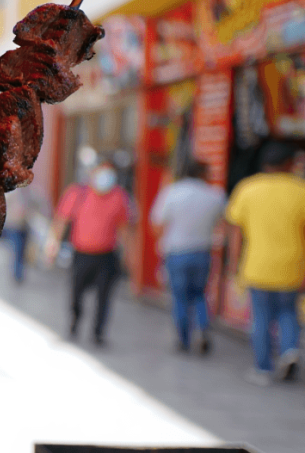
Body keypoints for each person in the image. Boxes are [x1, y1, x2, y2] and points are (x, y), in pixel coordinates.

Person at [224, 141, 305, 386]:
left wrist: (233, 265)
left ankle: (263, 368)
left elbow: (235, 233)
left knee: (260, 318)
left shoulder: (248, 188)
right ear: (289, 164)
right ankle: (289, 350)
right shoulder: (300, 190)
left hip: (257, 265)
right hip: (292, 266)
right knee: (289, 313)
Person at [46, 161, 133, 346]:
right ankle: (75, 320)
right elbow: (61, 220)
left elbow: (124, 228)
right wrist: (52, 244)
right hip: (82, 254)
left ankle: (99, 332)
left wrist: (129, 256)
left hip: (106, 255)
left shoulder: (119, 196)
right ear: (92, 174)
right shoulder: (78, 193)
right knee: (76, 293)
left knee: (104, 296)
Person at [149, 160, 226, 354]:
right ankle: (201, 329)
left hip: (176, 252)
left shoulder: (172, 192)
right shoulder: (215, 195)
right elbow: (224, 226)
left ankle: (183, 339)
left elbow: (156, 224)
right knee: (199, 294)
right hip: (202, 252)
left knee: (180, 297)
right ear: (204, 173)